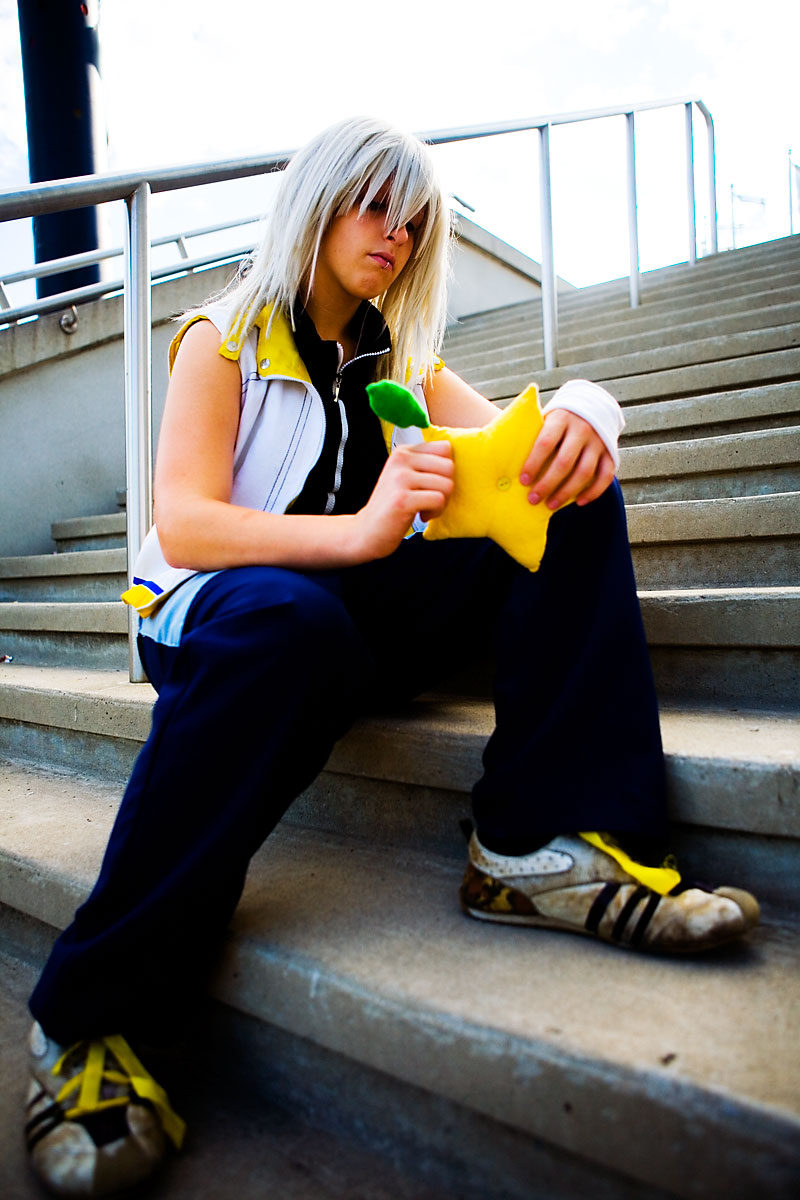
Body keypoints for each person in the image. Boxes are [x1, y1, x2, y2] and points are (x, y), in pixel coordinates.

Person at [23, 116, 759, 1198]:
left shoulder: (399, 359)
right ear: (317, 205)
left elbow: (517, 454)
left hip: (339, 627)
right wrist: (366, 532)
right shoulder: (221, 338)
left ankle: (538, 847)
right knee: (290, 622)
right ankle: (92, 1015)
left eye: (413, 221)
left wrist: (589, 413)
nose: (396, 235)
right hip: (219, 618)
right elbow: (186, 524)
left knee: (563, 502)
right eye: (375, 207)